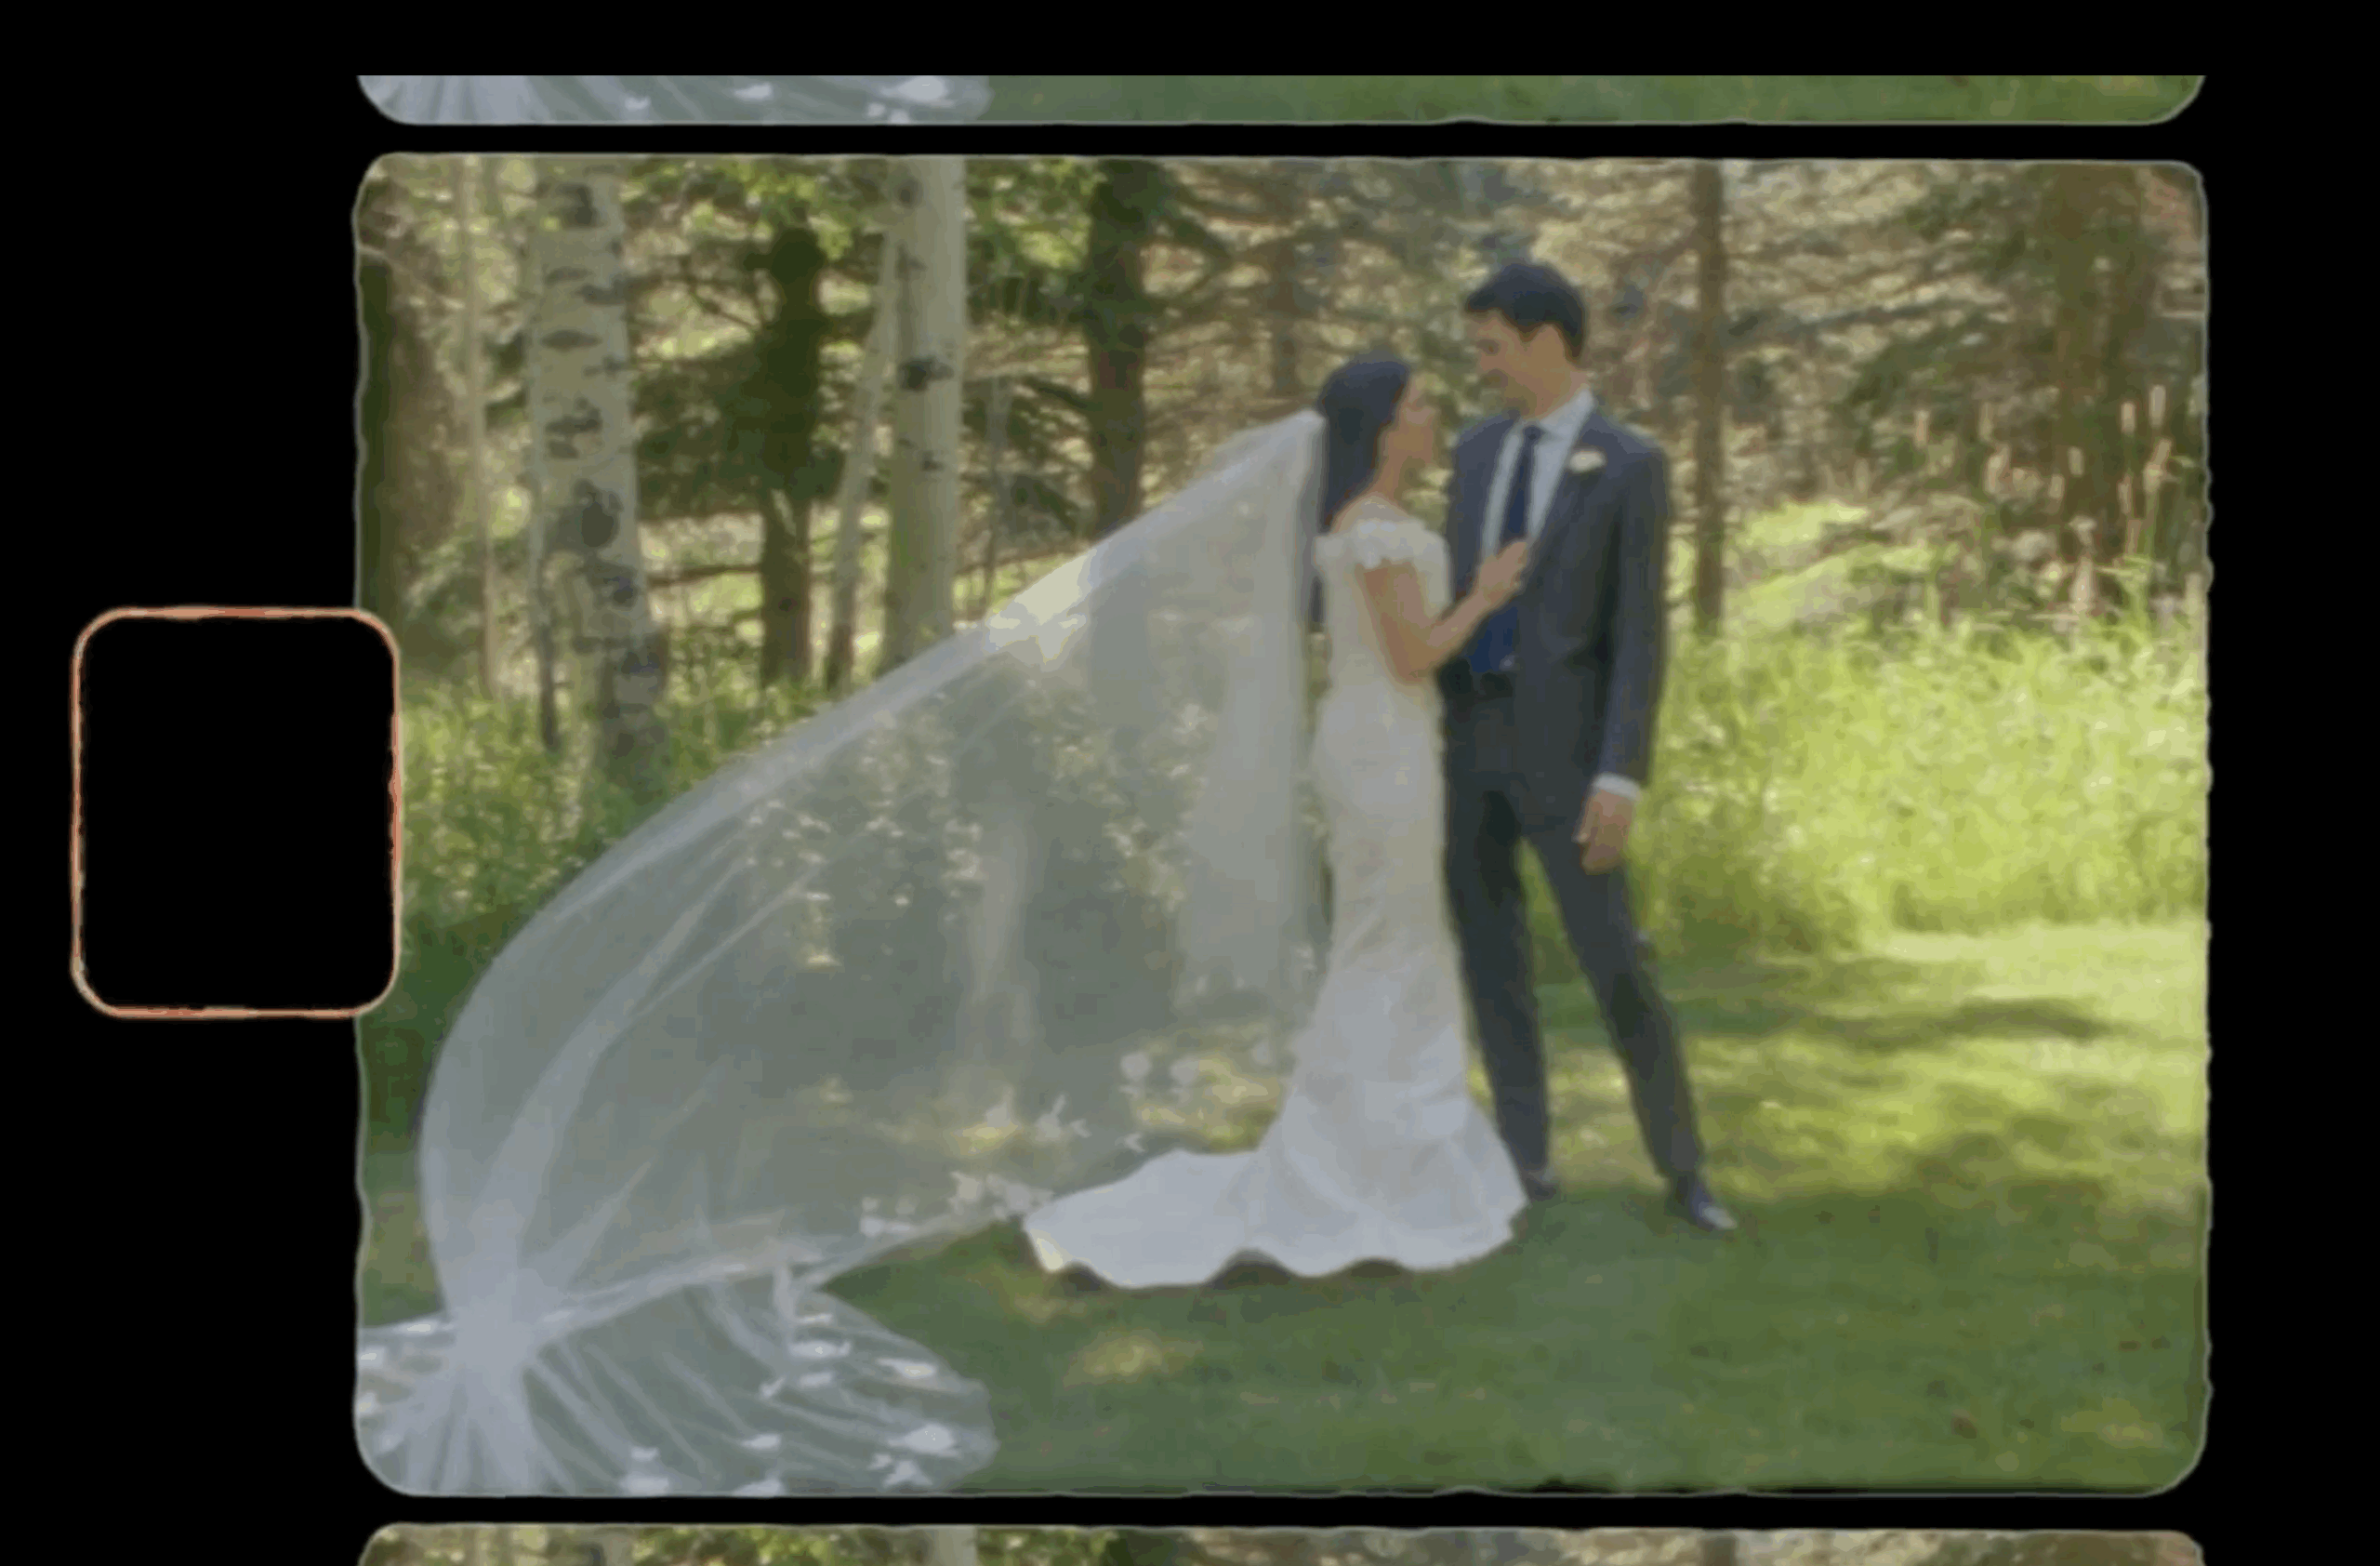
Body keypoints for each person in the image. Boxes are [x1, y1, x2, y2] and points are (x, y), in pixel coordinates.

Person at [1020, 356, 1536, 1287]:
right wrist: (1488, 593)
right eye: (1418, 404)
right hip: (1383, 747)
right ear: (1383, 427)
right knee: (1385, 941)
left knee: (1397, 937)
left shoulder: (1370, 523)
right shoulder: (1371, 529)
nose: (1434, 415)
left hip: (1384, 741)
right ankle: (1355, 1152)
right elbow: (1413, 654)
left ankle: (1392, 1144)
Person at [1438, 262, 1732, 1232]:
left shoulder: (1629, 463)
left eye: (1492, 346)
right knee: (1493, 963)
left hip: (1569, 760)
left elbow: (1640, 635)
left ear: (1547, 341)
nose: (1482, 366)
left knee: (1616, 959)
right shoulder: (1475, 451)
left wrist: (1620, 775)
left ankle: (1683, 1170)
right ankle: (1525, 1161)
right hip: (1466, 747)